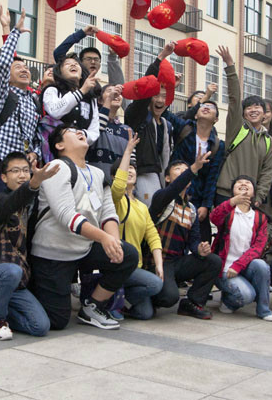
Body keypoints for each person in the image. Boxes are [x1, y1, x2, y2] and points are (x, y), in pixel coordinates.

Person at [29, 124, 139, 330]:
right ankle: (22, 295)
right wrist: (103, 238)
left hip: (83, 249)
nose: (79, 132)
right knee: (56, 321)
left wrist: (114, 242)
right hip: (53, 255)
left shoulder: (97, 173)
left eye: (80, 130)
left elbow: (108, 213)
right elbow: (66, 215)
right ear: (59, 145)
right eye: (71, 131)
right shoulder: (57, 167)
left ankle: (92, 306)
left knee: (127, 254)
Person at [0, 152, 57, 340]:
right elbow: (14, 200)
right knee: (11, 270)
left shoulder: (28, 210)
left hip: (16, 283)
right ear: (3, 177)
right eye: (15, 171)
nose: (22, 175)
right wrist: (34, 183)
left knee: (40, 326)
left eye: (26, 171)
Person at [149, 151, 223, 320]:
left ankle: (192, 303)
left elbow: (193, 240)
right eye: (178, 169)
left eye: (185, 170)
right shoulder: (161, 197)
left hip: (178, 262)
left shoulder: (192, 209)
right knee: (169, 298)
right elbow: (174, 189)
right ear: (167, 178)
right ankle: (148, 294)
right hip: (158, 261)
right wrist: (194, 167)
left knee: (213, 261)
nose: (183, 171)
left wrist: (200, 249)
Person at [125, 41, 190, 204]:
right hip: (141, 173)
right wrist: (161, 57)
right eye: (156, 96)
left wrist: (172, 87)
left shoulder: (166, 125)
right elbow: (145, 88)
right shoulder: (138, 116)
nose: (160, 100)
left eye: (164, 96)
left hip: (161, 175)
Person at [110, 132, 164, 320]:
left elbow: (153, 236)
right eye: (126, 169)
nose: (131, 171)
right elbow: (118, 187)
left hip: (136, 267)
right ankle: (113, 295)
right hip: (119, 265)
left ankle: (121, 300)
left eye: (133, 168)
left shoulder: (141, 206)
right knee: (155, 285)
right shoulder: (114, 200)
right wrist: (128, 152)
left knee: (145, 313)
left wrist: (159, 264)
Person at [213, 46, 272, 210]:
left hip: (250, 198)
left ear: (264, 114)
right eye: (249, 108)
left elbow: (267, 172)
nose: (253, 110)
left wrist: (259, 196)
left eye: (258, 107)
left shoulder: (268, 141)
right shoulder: (237, 127)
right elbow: (234, 98)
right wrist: (230, 66)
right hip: (226, 193)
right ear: (243, 112)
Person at [0, 6, 42, 194]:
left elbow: (37, 135)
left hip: (24, 168)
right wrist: (14, 33)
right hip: (2, 164)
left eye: (26, 67)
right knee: (1, 210)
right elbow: (4, 63)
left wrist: (35, 152)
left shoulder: (34, 100)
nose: (24, 69)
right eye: (18, 67)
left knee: (22, 216)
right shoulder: (3, 93)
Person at [210, 176, 272, 321]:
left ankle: (263, 310)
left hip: (243, 267)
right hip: (224, 269)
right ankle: (229, 300)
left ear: (254, 192)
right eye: (239, 182)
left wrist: (238, 266)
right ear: (232, 190)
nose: (244, 184)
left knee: (261, 265)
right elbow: (214, 217)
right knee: (247, 296)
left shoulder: (259, 217)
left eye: (248, 183)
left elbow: (258, 247)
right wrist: (233, 202)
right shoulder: (227, 212)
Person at [166, 92, 225, 247]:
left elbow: (212, 177)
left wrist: (206, 205)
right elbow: (164, 111)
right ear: (196, 114)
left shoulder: (217, 145)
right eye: (203, 105)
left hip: (198, 200)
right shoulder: (184, 128)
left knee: (202, 241)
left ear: (216, 119)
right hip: (174, 194)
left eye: (211, 107)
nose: (206, 107)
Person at [40, 54, 100, 145]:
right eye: (67, 64)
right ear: (60, 73)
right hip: (56, 151)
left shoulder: (90, 98)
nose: (73, 65)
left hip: (81, 151)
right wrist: (82, 91)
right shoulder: (52, 90)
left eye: (76, 63)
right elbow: (55, 111)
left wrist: (83, 134)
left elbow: (94, 130)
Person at [87, 84, 130, 177]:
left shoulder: (127, 130)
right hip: (95, 179)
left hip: (119, 184)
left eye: (118, 92)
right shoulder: (92, 122)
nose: (115, 94)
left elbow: (131, 161)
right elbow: (99, 127)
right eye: (109, 91)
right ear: (100, 100)